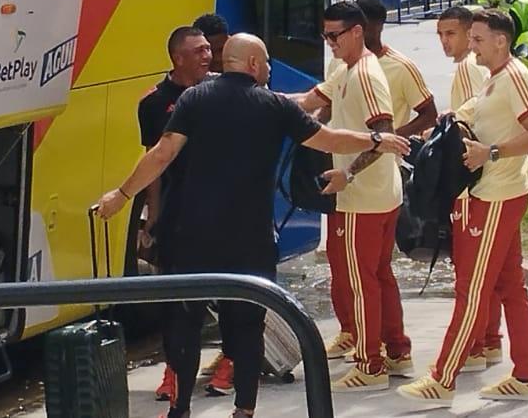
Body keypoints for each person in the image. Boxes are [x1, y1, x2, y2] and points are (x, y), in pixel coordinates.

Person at [93, 34, 411, 418]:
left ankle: (180, 409)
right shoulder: (273, 104)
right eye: (268, 63)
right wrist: (376, 139)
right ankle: (244, 410)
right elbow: (329, 139)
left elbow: (162, 154)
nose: (272, 70)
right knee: (246, 327)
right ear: (255, 65)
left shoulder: (194, 99)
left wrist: (121, 195)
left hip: (193, 235)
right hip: (250, 238)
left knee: (185, 324)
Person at [397, 9, 528, 405]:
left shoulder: (514, 77)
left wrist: (490, 152)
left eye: (478, 39)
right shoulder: (495, 77)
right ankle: (526, 375)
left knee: (472, 289)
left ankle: (442, 378)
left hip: (496, 195)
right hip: (498, 192)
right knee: (509, 287)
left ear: (501, 40)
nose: (472, 46)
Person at [288, 2, 412, 392]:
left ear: (357, 32)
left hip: (365, 198)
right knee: (379, 277)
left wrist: (347, 173)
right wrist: (262, 96)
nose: (329, 44)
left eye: (334, 36)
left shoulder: (366, 75)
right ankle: (396, 351)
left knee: (362, 283)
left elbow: (385, 134)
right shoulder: (344, 69)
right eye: (325, 36)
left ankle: (369, 365)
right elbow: (308, 102)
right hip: (377, 195)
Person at [135, 26, 217, 403]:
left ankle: (229, 360)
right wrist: (152, 215)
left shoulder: (220, 91)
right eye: (198, 51)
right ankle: (174, 370)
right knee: (173, 297)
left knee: (230, 290)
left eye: (208, 50)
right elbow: (154, 160)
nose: (207, 56)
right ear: (177, 58)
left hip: (221, 209)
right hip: (178, 213)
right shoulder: (153, 103)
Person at [435, 5, 505, 371]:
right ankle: (490, 340)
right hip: (495, 180)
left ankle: (475, 346)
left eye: (452, 34)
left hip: (473, 186)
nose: (446, 42)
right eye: (440, 35)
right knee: (493, 273)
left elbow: (466, 127)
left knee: (470, 271)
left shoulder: (467, 68)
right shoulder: (483, 69)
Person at [357, 0, 438, 138]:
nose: (355, 32)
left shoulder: (401, 67)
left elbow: (429, 115)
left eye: (361, 26)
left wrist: (392, 138)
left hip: (385, 159)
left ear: (379, 26)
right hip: (344, 155)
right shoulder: (340, 62)